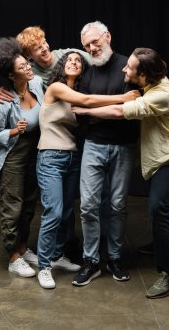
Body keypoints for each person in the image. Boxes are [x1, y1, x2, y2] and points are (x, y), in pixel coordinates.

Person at [72, 47, 169, 298]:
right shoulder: (152, 84)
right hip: (157, 157)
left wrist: (85, 110)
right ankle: (156, 245)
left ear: (145, 75)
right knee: (160, 208)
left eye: (130, 68)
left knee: (158, 207)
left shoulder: (161, 95)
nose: (124, 68)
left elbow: (119, 111)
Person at [36, 51, 140, 289]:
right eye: (69, 60)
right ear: (61, 65)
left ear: (83, 70)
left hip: (72, 157)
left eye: (78, 61)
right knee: (54, 211)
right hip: (50, 156)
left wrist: (91, 113)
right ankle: (44, 266)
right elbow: (90, 102)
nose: (73, 62)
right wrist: (123, 97)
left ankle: (59, 255)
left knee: (67, 212)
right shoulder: (55, 88)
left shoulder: (78, 93)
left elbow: (88, 110)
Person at [0, 26, 92, 255]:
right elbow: (15, 83)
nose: (45, 48)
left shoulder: (58, 64)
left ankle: (48, 247)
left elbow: (99, 61)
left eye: (44, 42)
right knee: (20, 202)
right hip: (28, 146)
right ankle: (16, 253)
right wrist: (1, 91)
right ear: (28, 56)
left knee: (45, 202)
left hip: (58, 136)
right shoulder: (26, 81)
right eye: (37, 48)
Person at [71, 21, 141, 287]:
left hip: (124, 146)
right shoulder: (87, 73)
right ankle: (91, 261)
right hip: (94, 145)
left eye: (95, 42)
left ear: (107, 37)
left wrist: (93, 109)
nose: (91, 48)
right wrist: (106, 109)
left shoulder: (128, 66)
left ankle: (114, 257)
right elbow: (79, 111)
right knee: (88, 206)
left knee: (117, 206)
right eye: (87, 45)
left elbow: (126, 111)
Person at [0, 37, 44, 277]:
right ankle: (13, 257)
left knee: (29, 204)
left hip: (34, 152)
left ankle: (23, 247)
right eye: (22, 67)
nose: (29, 67)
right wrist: (13, 130)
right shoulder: (4, 101)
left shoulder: (39, 84)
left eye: (27, 64)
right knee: (13, 206)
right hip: (13, 156)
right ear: (11, 75)